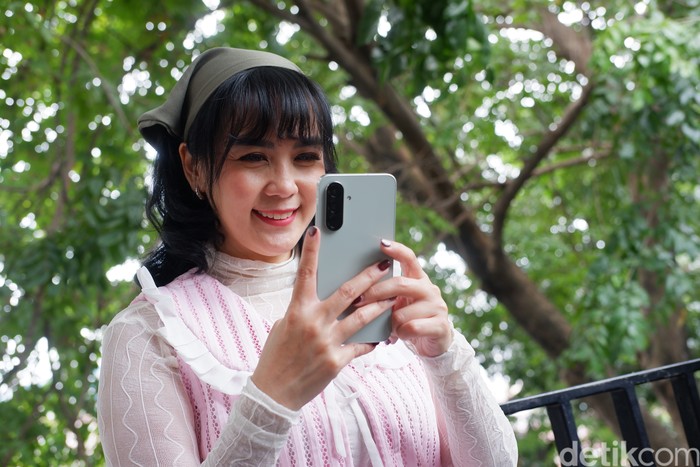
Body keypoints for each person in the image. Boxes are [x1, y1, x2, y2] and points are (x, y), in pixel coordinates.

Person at [96, 47, 518, 466]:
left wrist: (444, 355)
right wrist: (273, 398)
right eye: (253, 157)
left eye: (305, 158)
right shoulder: (147, 333)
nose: (284, 186)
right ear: (194, 167)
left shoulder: (381, 296)